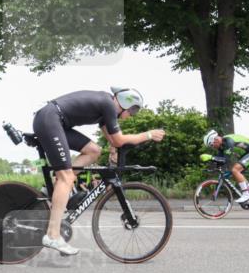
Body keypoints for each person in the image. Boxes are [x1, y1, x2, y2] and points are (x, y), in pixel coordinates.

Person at [32, 87, 164, 256]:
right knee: (66, 178)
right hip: (49, 118)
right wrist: (148, 135)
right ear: (126, 104)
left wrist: (117, 149)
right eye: (133, 111)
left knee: (94, 150)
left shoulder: (106, 109)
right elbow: (119, 139)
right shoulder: (108, 104)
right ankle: (53, 235)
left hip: (53, 120)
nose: (131, 116)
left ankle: (57, 185)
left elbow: (115, 142)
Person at [204, 130, 249, 204]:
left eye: (211, 145)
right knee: (234, 172)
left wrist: (211, 157)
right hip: (246, 153)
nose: (213, 147)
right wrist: (210, 167)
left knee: (235, 170)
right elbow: (219, 160)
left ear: (215, 139)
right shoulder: (222, 146)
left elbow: (225, 160)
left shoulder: (228, 141)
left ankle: (246, 194)